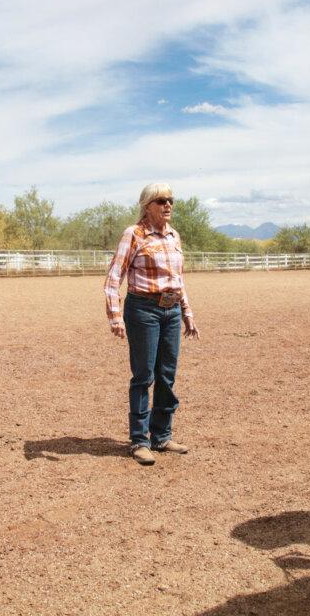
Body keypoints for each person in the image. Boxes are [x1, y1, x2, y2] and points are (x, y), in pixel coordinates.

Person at [104, 183, 200, 465]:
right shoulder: (133, 235)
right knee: (144, 375)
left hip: (170, 312)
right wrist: (115, 315)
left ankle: (161, 436)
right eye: (161, 201)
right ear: (147, 206)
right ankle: (139, 440)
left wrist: (187, 313)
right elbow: (113, 278)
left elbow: (177, 280)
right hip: (143, 310)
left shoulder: (173, 236)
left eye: (170, 200)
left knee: (167, 374)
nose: (167, 205)